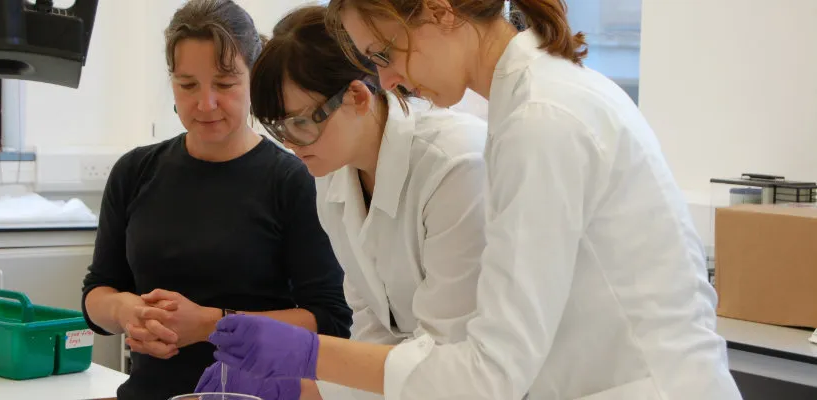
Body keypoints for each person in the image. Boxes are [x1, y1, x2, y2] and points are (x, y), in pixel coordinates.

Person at [207, 1, 745, 399]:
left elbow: (490, 373)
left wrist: (310, 361)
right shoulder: (529, 107)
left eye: (383, 53)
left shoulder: (540, 122)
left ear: (440, 12)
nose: (387, 77)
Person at [196, 5, 488, 399]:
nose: (289, 143)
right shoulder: (333, 172)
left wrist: (306, 370)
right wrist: (305, 391)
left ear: (356, 96)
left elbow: (449, 355)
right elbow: (374, 329)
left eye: (300, 124)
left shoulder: (455, 166)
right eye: (277, 127)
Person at [79, 1, 352, 399]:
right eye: (187, 85)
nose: (205, 104)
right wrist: (126, 311)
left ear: (255, 79)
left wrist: (212, 324)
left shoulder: (293, 180)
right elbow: (97, 293)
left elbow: (328, 320)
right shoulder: (134, 172)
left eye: (225, 84)